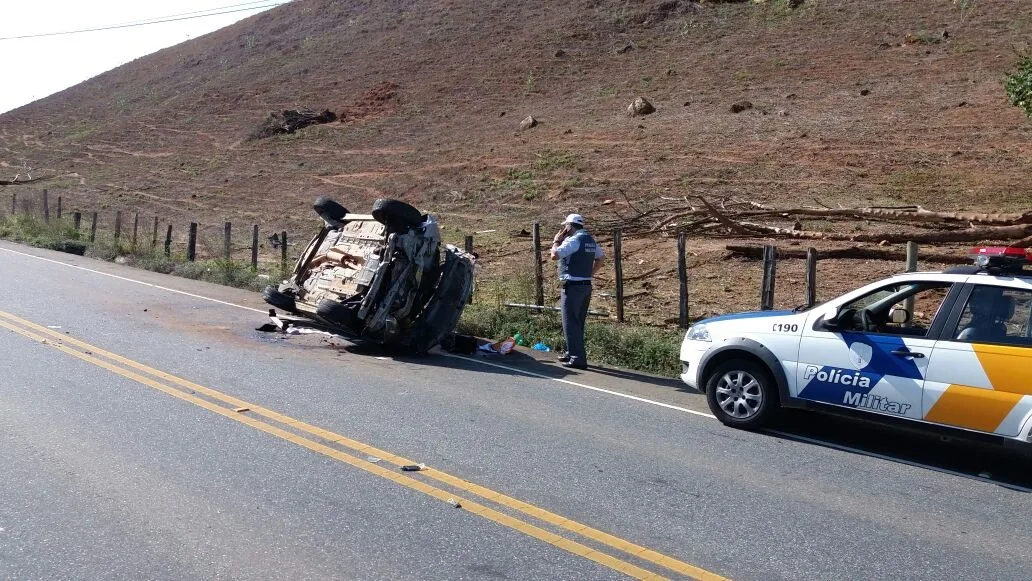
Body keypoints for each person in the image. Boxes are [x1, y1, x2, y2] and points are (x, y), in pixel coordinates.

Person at [550, 213, 604, 369]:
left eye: (565, 226)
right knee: (578, 322)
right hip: (586, 285)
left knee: (569, 322)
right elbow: (601, 258)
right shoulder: (589, 240)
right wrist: (590, 274)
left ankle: (577, 358)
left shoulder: (574, 240)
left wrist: (556, 241)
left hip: (573, 286)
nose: (564, 229)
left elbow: (555, 255)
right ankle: (571, 352)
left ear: (570, 226)